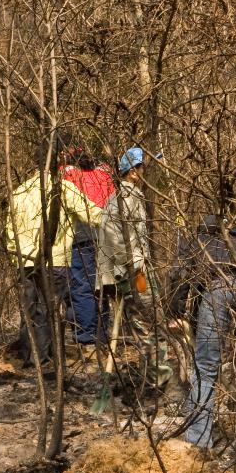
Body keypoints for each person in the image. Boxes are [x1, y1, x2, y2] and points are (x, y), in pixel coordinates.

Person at [170, 213, 236, 450]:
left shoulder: (200, 241)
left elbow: (179, 275)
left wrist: (174, 312)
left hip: (218, 288)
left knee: (205, 367)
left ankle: (199, 440)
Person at [5, 156, 103, 366]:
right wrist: (117, 217)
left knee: (30, 310)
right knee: (51, 311)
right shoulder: (62, 189)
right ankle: (49, 361)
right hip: (55, 260)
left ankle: (32, 359)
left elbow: (10, 232)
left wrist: (17, 255)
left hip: (25, 261)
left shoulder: (20, 192)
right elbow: (92, 214)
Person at [97, 146, 170, 387]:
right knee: (151, 327)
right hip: (134, 275)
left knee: (147, 328)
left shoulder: (128, 197)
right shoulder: (124, 199)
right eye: (143, 167)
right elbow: (116, 241)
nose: (147, 172)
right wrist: (135, 270)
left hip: (131, 274)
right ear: (133, 172)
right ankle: (156, 382)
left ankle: (154, 380)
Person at [60, 148, 115, 345]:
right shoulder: (104, 175)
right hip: (105, 236)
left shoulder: (69, 176)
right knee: (101, 286)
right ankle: (101, 332)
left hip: (81, 237)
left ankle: (85, 335)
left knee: (81, 286)